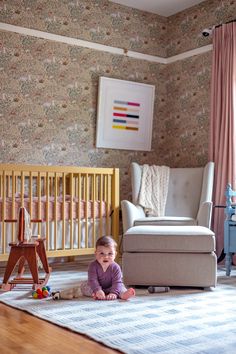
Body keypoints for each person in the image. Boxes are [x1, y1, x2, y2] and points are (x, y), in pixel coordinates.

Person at [52, 236, 135, 301]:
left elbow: (117, 282)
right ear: (96, 253)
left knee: (120, 286)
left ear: (115, 254)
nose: (106, 256)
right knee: (85, 287)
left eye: (110, 253)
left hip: (111, 286)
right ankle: (95, 294)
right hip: (95, 286)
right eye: (101, 253)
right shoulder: (93, 266)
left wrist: (113, 292)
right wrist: (97, 290)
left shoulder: (116, 267)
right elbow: (93, 280)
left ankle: (123, 295)